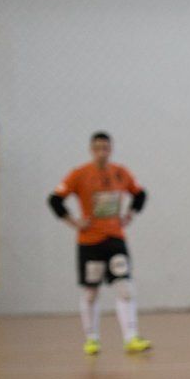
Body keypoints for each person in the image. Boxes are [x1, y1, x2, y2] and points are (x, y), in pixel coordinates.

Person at [47, 131, 152, 354]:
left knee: (125, 287)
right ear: (91, 150)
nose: (101, 152)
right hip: (89, 242)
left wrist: (130, 214)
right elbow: (54, 200)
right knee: (91, 291)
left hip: (115, 239)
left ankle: (131, 337)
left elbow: (140, 194)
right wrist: (75, 222)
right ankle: (91, 338)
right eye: (97, 148)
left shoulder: (121, 173)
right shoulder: (79, 174)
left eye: (105, 148)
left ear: (111, 149)